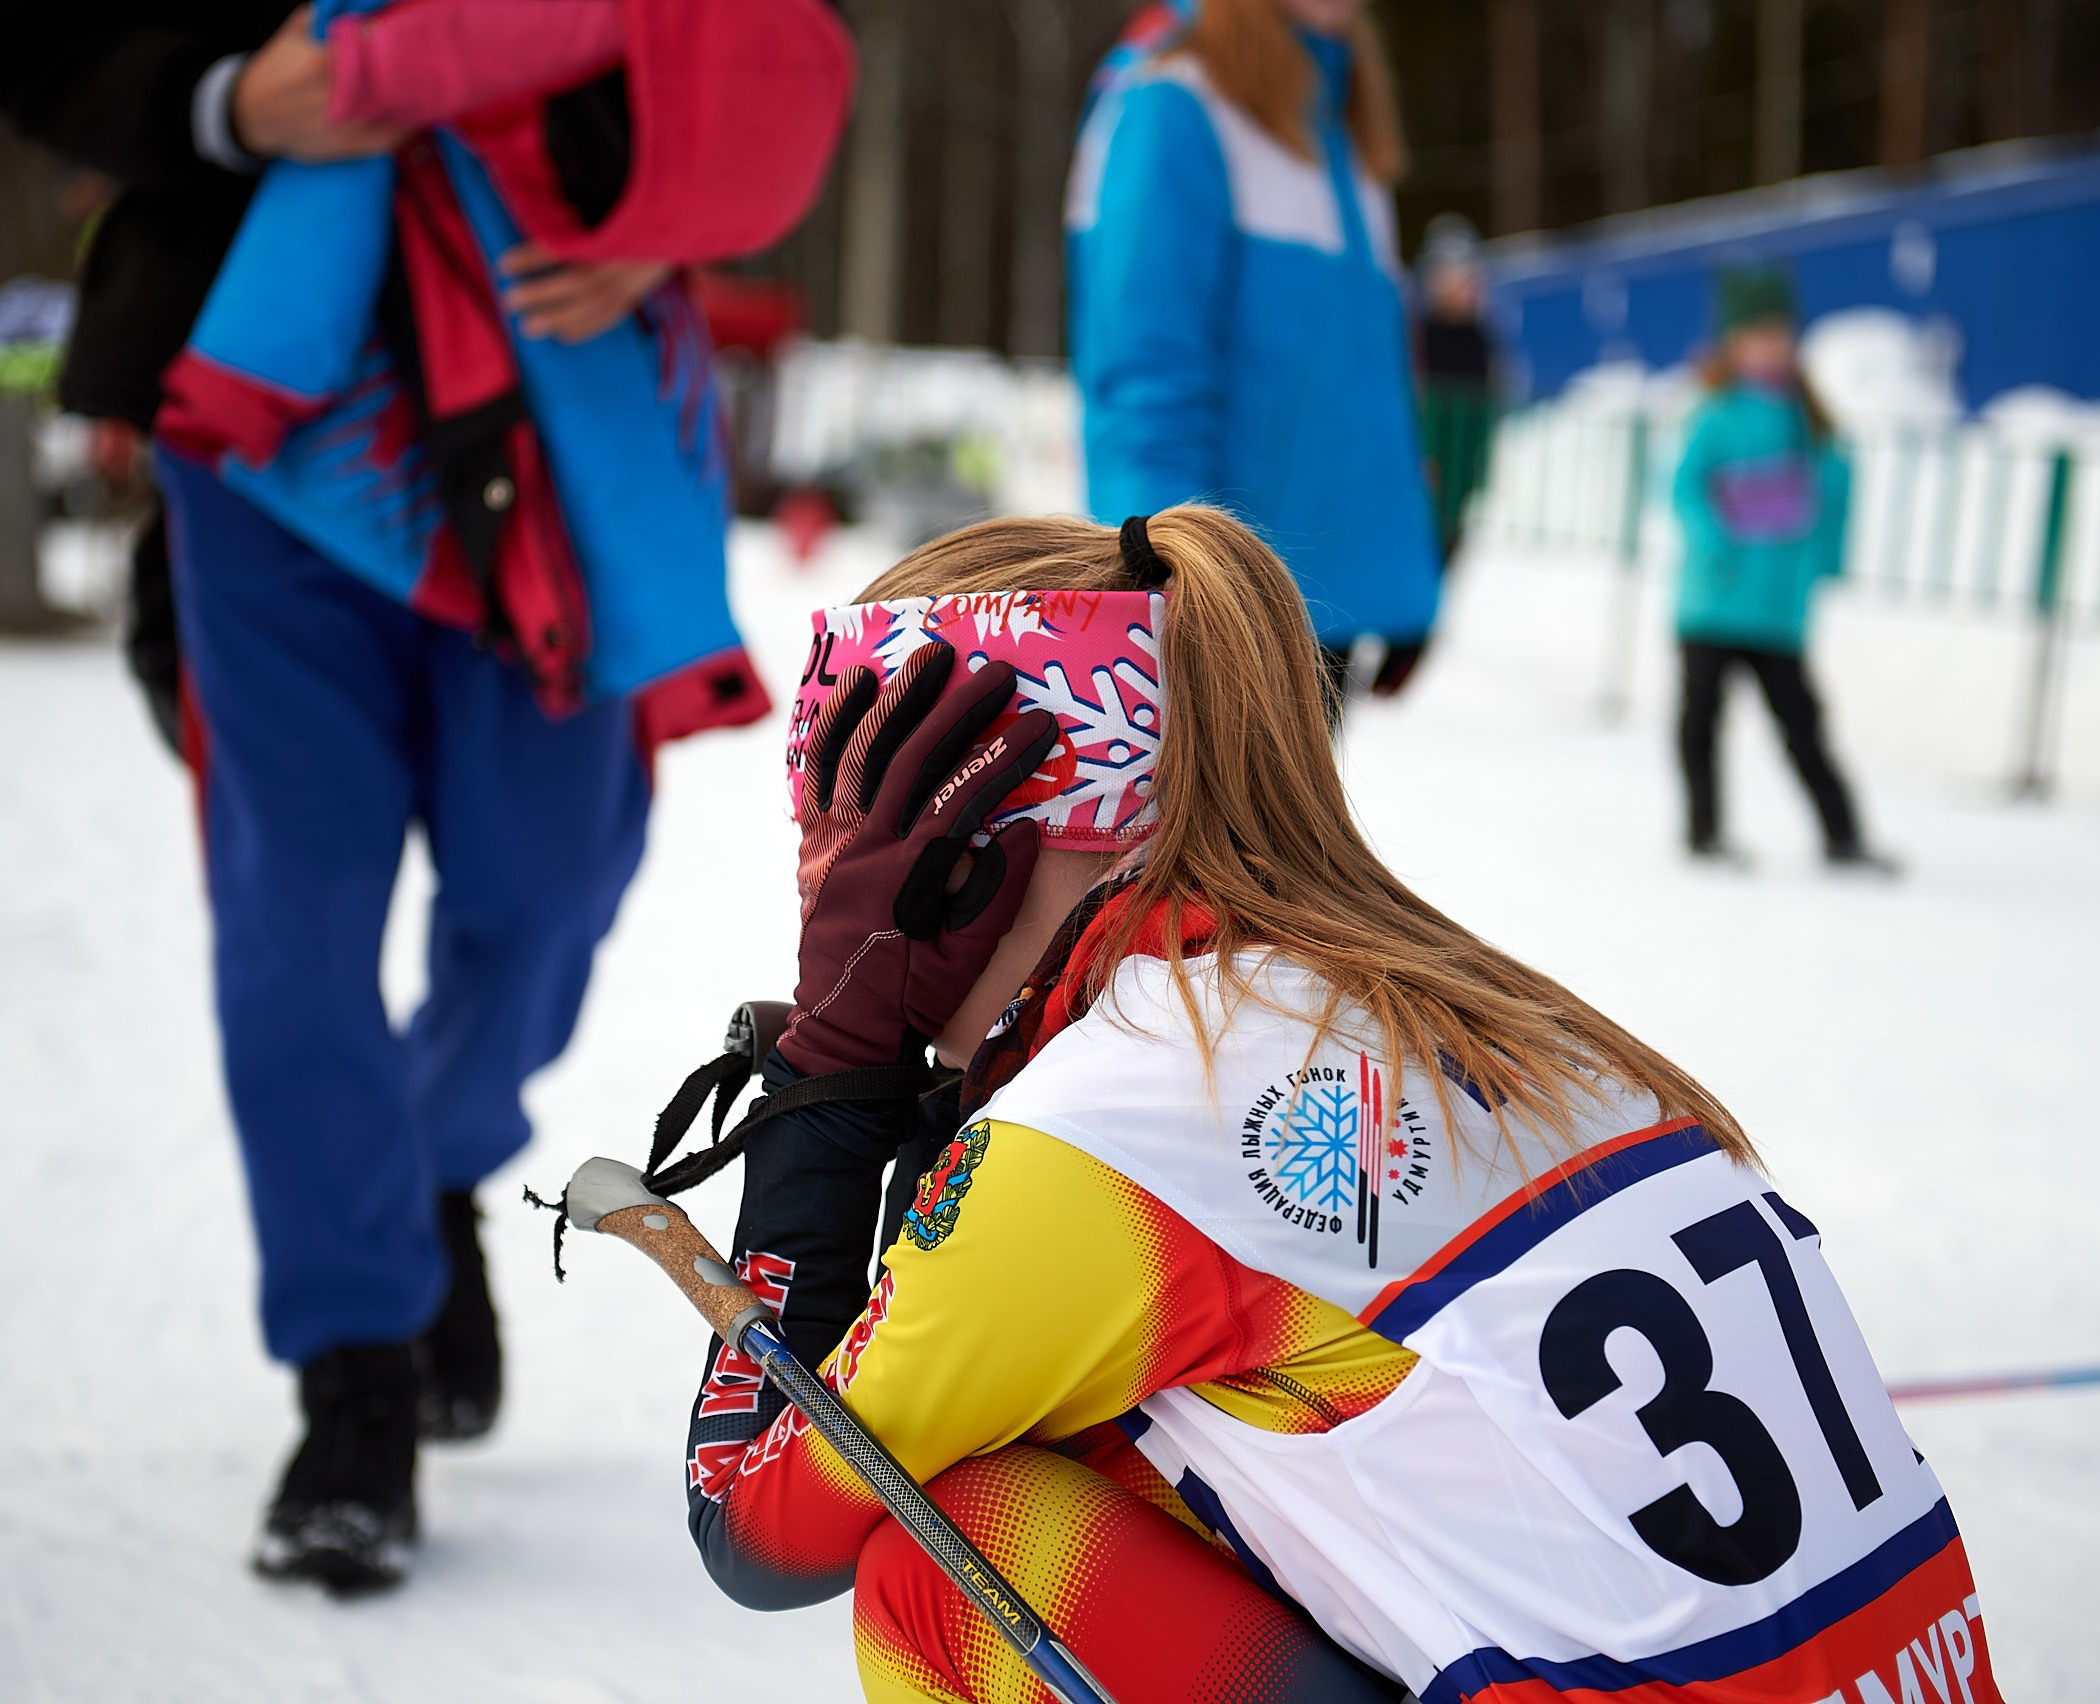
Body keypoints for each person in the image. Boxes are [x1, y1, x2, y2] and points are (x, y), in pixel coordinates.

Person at [659, 506, 2005, 1702]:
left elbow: (756, 1518)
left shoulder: (1106, 1123)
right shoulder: (1463, 1003)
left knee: (952, 1564)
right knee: (1097, 1439)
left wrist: (832, 1073)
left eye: (840, 825)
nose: (819, 882)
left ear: (972, 845)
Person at [0, 0, 849, 1592]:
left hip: (562, 412)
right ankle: (352, 1372)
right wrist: (233, 95)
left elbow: (778, 41)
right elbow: (34, 41)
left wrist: (676, 214)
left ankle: (432, 1164)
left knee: (544, 897)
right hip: (267, 452)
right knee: (289, 925)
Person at [1067, 0, 1441, 719]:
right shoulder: (1174, 101)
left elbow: (1367, 384)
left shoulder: (1345, 125)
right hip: (1223, 607)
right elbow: (1144, 373)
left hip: (1324, 603)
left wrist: (1398, 570)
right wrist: (1162, 575)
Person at [1672, 266, 1893, 874]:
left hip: (1777, 608)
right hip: (1712, 600)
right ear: (1732, 343)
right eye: (1755, 335)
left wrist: (1823, 562)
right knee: (1701, 721)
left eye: (1778, 333)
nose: (1769, 346)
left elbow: (1833, 504)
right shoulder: (1717, 414)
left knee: (1803, 723)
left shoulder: (1811, 422)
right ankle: (1704, 831)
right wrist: (1718, 540)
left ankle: (1842, 836)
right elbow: (1686, 488)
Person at [1410, 211, 1498, 572]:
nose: (1459, 287)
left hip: (1460, 466)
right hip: (1425, 467)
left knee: (1448, 550)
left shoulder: (1480, 339)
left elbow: (1486, 405)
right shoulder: (1419, 335)